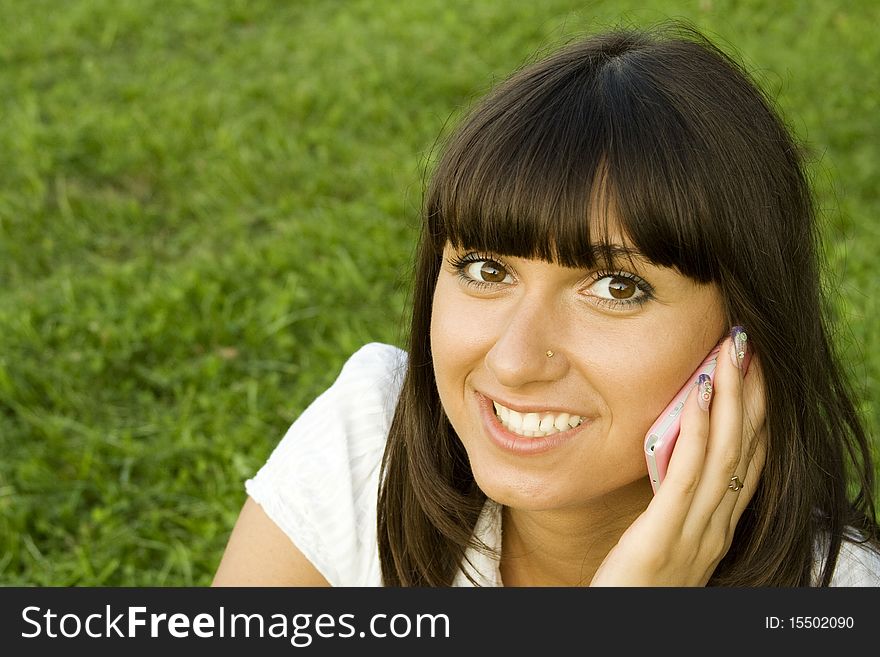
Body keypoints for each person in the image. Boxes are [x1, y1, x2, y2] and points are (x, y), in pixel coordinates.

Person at [212, 23, 880, 586]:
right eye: (486, 268)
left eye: (617, 287)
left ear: (745, 335)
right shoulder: (369, 445)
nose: (515, 359)